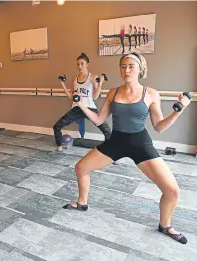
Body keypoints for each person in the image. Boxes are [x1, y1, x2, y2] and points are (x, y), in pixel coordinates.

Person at [62, 52, 190, 244]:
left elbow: (159, 127)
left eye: (131, 66)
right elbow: (98, 119)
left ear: (140, 68)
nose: (126, 70)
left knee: (172, 191)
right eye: (123, 66)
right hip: (116, 142)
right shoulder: (113, 92)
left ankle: (165, 225)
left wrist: (178, 110)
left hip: (140, 144)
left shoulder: (151, 93)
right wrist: (81, 105)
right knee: (80, 168)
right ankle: (82, 203)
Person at [53, 53, 112, 151]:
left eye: (82, 63)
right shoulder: (74, 78)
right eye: (78, 64)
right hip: (76, 108)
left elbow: (95, 97)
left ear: (87, 64)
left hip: (89, 108)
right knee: (57, 126)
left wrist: (100, 84)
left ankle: (110, 152)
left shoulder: (93, 77)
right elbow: (71, 96)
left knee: (107, 131)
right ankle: (59, 148)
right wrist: (62, 84)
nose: (79, 66)